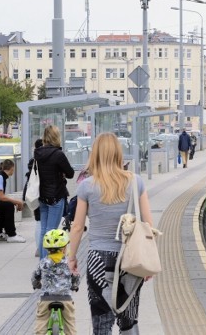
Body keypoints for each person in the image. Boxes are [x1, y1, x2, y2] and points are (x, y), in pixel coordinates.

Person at [68, 132, 154, 334]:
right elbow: (148, 223)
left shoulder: (86, 186)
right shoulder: (136, 182)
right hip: (130, 260)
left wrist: (71, 257)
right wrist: (148, 262)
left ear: (95, 154)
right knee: (128, 317)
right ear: (118, 153)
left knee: (102, 322)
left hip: (98, 259)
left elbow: (78, 227)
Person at [35, 125, 75, 259]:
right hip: (56, 196)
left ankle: (42, 261)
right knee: (51, 230)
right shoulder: (58, 154)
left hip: (42, 195)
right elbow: (70, 173)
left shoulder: (38, 153)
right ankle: (46, 263)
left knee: (43, 230)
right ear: (56, 137)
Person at [32, 228, 80, 335]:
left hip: (46, 298)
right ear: (64, 249)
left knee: (41, 321)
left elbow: (35, 276)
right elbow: (76, 277)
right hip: (65, 298)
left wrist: (36, 284)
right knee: (70, 323)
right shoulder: (69, 262)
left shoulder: (43, 262)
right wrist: (75, 285)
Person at [23, 139, 43, 256]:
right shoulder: (49, 159)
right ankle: (42, 249)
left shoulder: (33, 162)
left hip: (35, 194)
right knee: (43, 222)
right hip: (46, 194)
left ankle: (39, 249)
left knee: (39, 222)